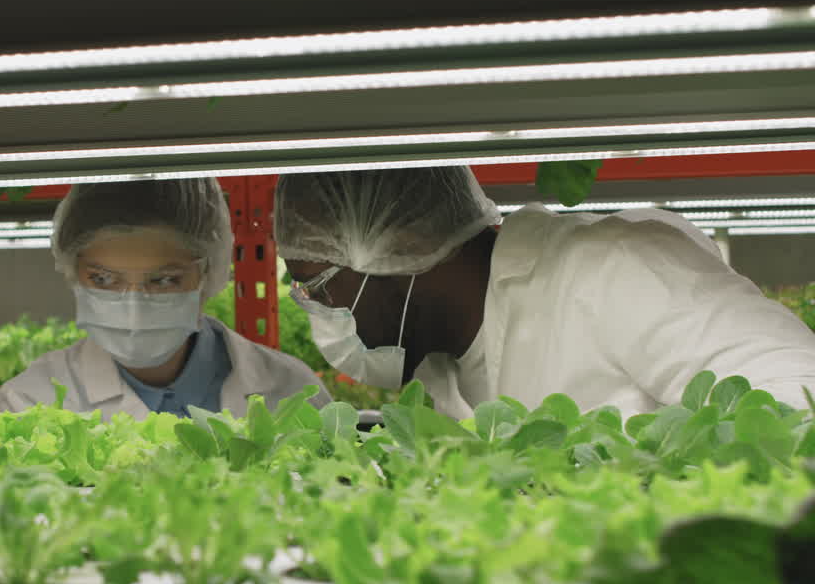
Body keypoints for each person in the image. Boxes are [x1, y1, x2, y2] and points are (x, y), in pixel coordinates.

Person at [272, 165, 815, 421]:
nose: (315, 308)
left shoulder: (615, 268)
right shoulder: (443, 367)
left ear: (397, 247)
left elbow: (797, 399)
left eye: (315, 284)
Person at [0, 178, 332, 419]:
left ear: (207, 274)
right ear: (72, 272)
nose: (134, 306)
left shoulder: (291, 392)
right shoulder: (30, 402)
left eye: (165, 279)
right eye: (104, 279)